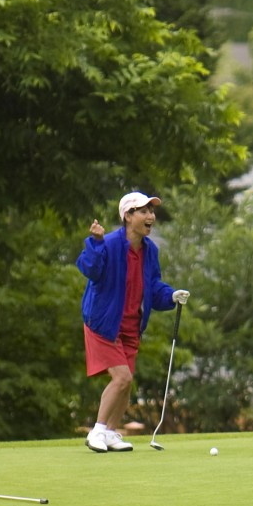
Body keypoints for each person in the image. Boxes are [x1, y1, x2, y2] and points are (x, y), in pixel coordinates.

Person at [77, 191, 190, 453]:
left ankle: (112, 433)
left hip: (131, 325)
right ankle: (98, 430)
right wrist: (95, 242)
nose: (150, 216)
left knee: (127, 381)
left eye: (152, 211)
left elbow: (152, 286)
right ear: (128, 216)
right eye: (143, 211)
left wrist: (171, 295)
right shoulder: (109, 243)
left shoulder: (150, 251)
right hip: (103, 322)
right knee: (121, 378)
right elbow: (89, 269)